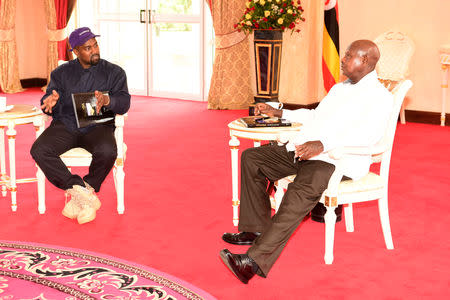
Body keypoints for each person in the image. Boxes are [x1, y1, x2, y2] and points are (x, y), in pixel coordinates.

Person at [220, 40, 393, 283]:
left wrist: (323, 145)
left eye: (348, 55)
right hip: (306, 149)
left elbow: (369, 137)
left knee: (297, 194)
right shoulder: (340, 89)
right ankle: (255, 228)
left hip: (337, 160)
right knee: (253, 158)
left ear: (364, 61)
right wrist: (280, 113)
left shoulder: (380, 97)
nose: (343, 59)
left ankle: (253, 261)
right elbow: (315, 116)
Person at [30, 27, 130, 224]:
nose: (94, 50)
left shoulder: (115, 72)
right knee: (39, 149)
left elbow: (125, 102)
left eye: (95, 45)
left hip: (98, 127)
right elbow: (49, 99)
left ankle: (85, 191)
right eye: (87, 48)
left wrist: (108, 100)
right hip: (66, 125)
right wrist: (49, 103)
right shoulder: (61, 73)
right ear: (75, 51)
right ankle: (79, 190)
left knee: (108, 150)